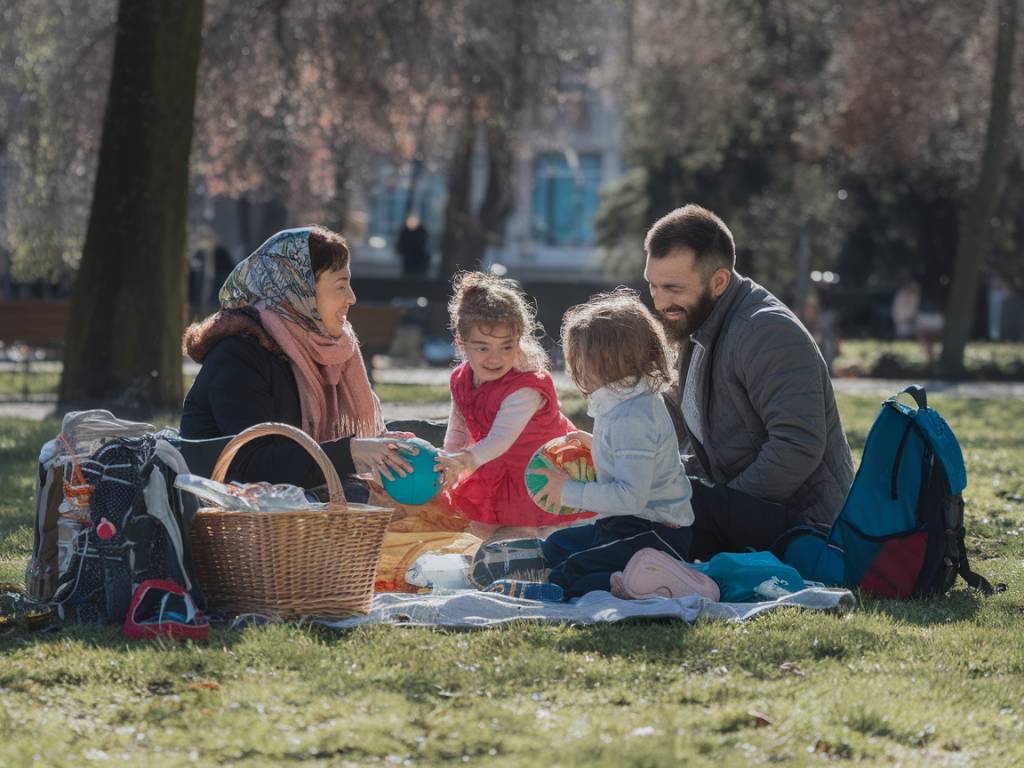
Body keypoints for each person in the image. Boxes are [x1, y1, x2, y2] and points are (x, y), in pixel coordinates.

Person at [644, 204, 854, 560]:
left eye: (672, 287)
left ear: (719, 281)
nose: (661, 301)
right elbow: (700, 430)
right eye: (652, 285)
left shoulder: (765, 331)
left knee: (641, 538)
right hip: (749, 513)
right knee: (630, 514)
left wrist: (721, 508)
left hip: (805, 529)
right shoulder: (701, 323)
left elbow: (797, 445)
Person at [180, 226, 416, 491]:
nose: (352, 298)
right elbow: (252, 466)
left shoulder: (328, 352)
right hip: (232, 517)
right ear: (300, 289)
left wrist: (376, 446)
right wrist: (349, 452)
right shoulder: (239, 356)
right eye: (341, 285)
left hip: (288, 510)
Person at [528, 289, 695, 599]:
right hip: (625, 525)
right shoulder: (620, 401)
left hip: (656, 534)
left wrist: (569, 490)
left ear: (607, 360)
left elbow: (631, 497)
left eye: (579, 360)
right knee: (557, 546)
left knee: (572, 572)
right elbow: (634, 460)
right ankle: (630, 576)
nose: (574, 369)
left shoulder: (633, 415)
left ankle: (655, 580)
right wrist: (596, 447)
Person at [434, 271, 588, 536]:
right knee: (475, 533)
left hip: (538, 474)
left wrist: (466, 460)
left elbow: (500, 438)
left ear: (518, 342)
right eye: (483, 347)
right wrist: (448, 464)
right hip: (493, 466)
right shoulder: (461, 379)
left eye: (506, 347)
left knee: (523, 540)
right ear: (461, 343)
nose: (495, 358)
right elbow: (458, 431)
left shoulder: (526, 386)